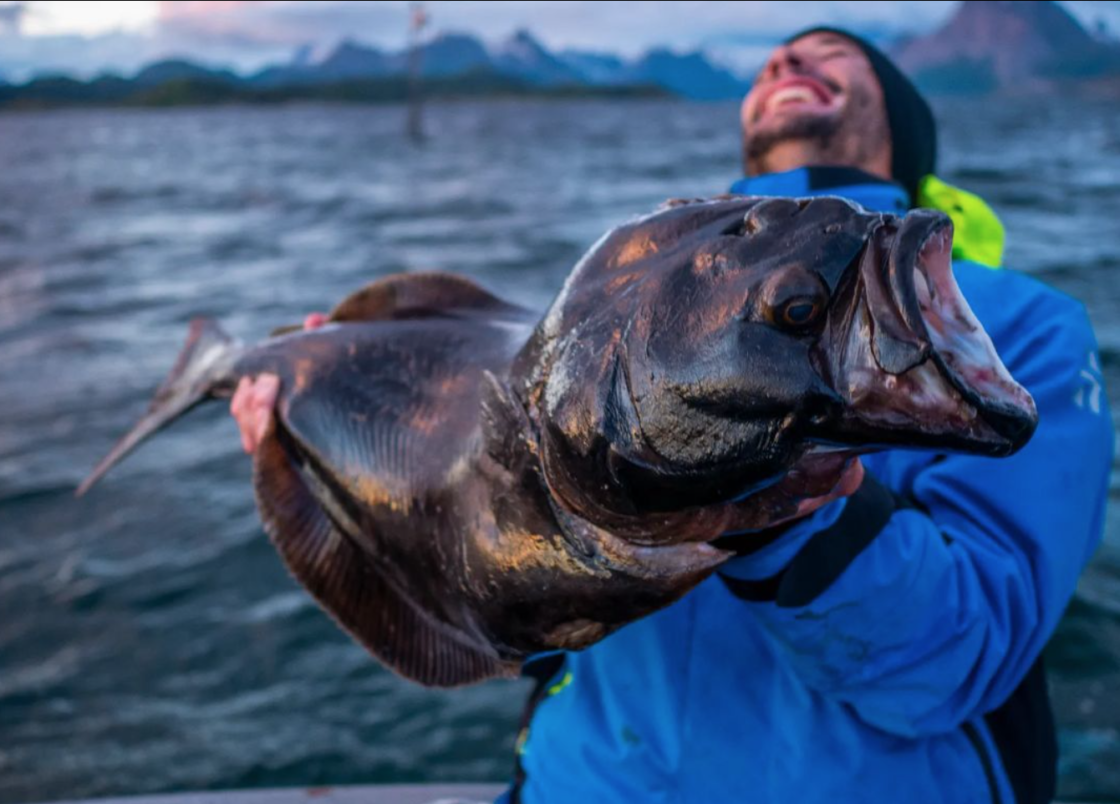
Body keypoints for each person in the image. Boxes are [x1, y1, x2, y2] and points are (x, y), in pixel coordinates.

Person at [230, 28, 1114, 804]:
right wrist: (318, 443)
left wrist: (769, 506)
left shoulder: (1025, 327)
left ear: (904, 120)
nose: (791, 59)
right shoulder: (624, 297)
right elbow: (520, 631)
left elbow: (970, 650)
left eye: (835, 54)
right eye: (774, 60)